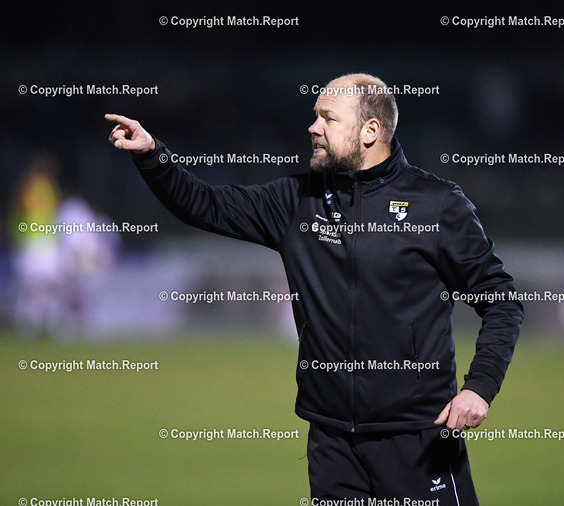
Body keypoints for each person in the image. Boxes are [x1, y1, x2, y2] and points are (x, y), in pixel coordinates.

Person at [105, 72, 524, 504]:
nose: (313, 127)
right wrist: (152, 156)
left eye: (328, 118)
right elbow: (205, 205)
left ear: (370, 130)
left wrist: (480, 386)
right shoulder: (296, 201)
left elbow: (502, 301)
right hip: (331, 443)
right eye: (315, 116)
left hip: (418, 437)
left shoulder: (436, 204)